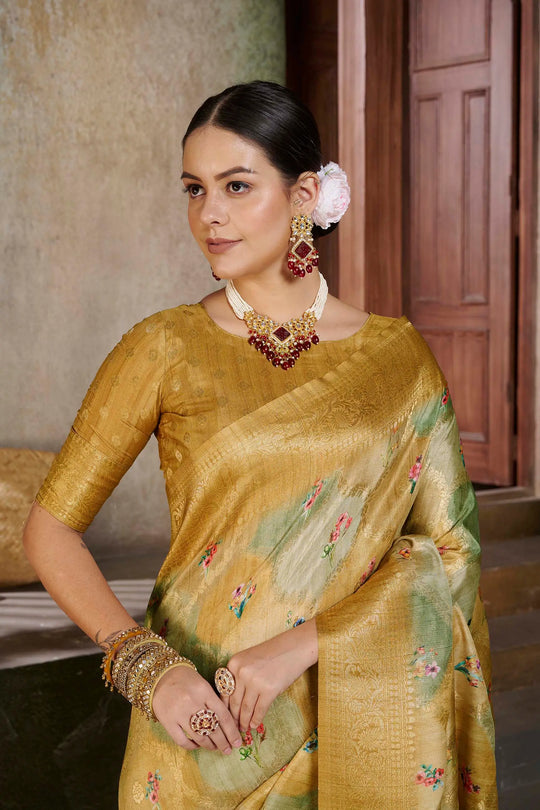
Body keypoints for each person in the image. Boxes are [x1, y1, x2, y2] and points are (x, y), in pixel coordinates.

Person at [23, 81, 498, 808]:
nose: (208, 214)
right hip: (196, 725)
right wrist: (148, 668)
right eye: (194, 189)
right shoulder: (164, 347)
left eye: (236, 186)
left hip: (349, 723)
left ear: (303, 195)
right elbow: (50, 528)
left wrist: (307, 644)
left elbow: (453, 553)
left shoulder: (398, 360)